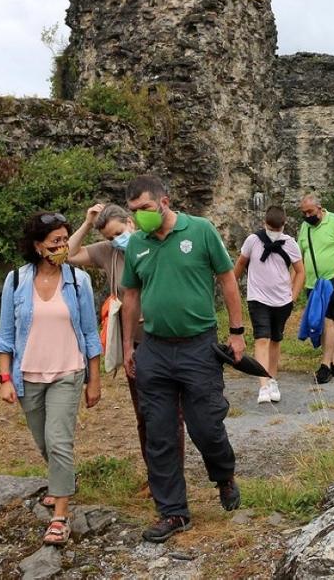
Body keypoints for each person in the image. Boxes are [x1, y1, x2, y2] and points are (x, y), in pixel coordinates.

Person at [119, 175, 246, 543]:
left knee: (205, 425)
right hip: (154, 349)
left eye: (144, 208)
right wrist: (129, 347)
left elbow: (226, 280)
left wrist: (236, 333)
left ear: (164, 201)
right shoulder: (137, 245)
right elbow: (130, 297)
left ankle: (223, 476)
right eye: (133, 211)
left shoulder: (201, 230)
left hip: (198, 346)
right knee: (158, 434)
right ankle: (174, 512)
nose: (139, 216)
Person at [0, 211, 103, 546]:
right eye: (55, 241)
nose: (61, 247)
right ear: (37, 245)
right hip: (28, 376)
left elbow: (89, 332)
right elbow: (6, 336)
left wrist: (94, 379)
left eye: (64, 240)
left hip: (68, 372)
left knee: (58, 441)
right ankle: (64, 479)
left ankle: (60, 515)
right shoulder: (15, 281)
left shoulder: (77, 280)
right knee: (44, 443)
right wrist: (4, 378)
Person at [67, 202, 185, 476]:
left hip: (168, 339)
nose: (115, 240)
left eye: (118, 232)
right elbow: (67, 255)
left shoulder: (154, 243)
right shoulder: (109, 253)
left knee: (171, 414)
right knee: (144, 414)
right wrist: (86, 223)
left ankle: (174, 475)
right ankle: (155, 475)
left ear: (131, 223)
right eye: (109, 237)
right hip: (135, 344)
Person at [234, 205, 305, 404]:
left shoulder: (290, 243)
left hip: (282, 300)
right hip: (258, 299)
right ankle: (263, 385)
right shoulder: (253, 240)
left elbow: (300, 271)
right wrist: (230, 285)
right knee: (261, 338)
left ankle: (272, 379)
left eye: (277, 229)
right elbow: (240, 263)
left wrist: (293, 295)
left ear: (284, 225)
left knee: (275, 339)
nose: (274, 232)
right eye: (271, 228)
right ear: (264, 224)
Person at [297, 194, 334, 384]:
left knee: (327, 321)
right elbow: (299, 256)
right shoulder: (305, 228)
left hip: (332, 282)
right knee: (329, 324)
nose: (308, 216)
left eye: (311, 212)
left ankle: (325, 365)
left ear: (320, 208)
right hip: (313, 285)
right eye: (304, 213)